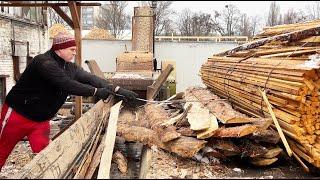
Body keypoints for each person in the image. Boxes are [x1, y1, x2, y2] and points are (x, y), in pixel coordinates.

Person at [0, 32, 138, 170]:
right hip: (17, 115)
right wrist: (95, 92)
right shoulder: (43, 62)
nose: (74, 53)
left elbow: (92, 79)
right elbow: (66, 84)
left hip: (40, 121)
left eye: (75, 50)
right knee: (2, 151)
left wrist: (119, 90)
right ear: (59, 49)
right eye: (71, 50)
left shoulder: (69, 67)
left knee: (47, 158)